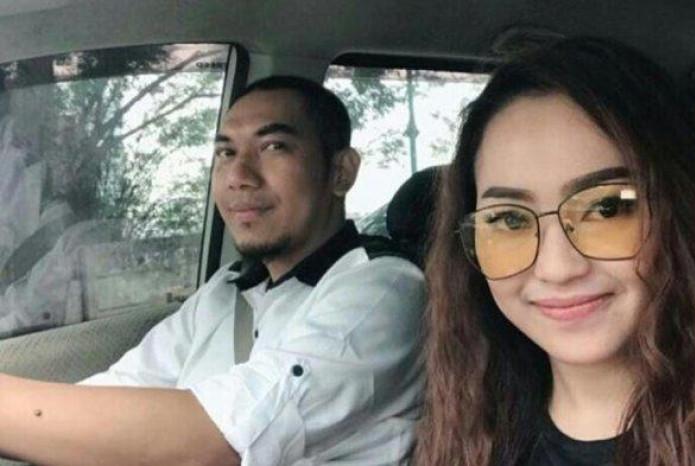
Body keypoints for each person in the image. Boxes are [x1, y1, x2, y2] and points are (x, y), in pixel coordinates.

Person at [416, 37, 695, 466]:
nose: (557, 268)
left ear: (683, 212)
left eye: (607, 208)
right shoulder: (470, 417)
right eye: (509, 219)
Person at [0, 75, 426, 465]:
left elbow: (222, 439)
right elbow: (124, 388)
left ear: (340, 172)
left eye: (274, 147)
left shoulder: (384, 290)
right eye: (226, 152)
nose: (238, 175)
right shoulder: (226, 290)